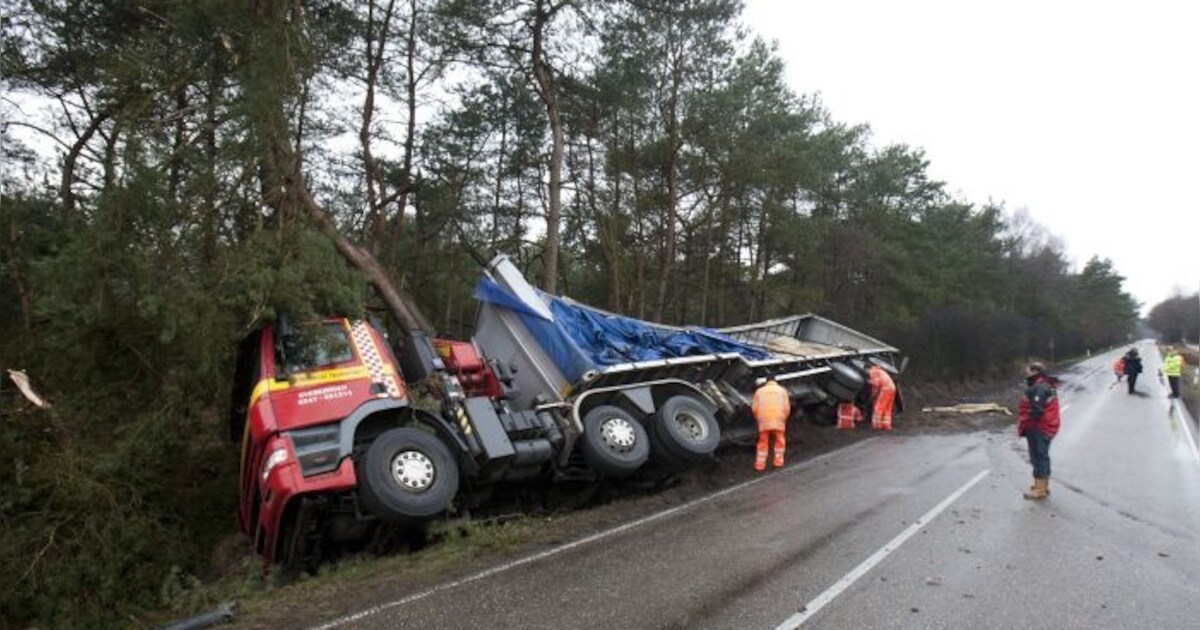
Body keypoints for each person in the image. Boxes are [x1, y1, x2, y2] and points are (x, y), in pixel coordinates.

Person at [1017, 362, 1061, 500]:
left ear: (1034, 371)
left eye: (1028, 371)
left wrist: (1028, 424)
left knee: (1038, 456)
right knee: (1041, 455)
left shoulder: (1039, 387)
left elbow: (1037, 409)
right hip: (1046, 425)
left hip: (1039, 427)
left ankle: (1040, 489)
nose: (1026, 373)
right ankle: (1041, 485)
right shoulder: (1046, 384)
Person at [751, 376, 791, 471]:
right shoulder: (782, 391)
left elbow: (754, 408)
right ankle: (778, 463)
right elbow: (787, 408)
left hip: (763, 419)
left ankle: (760, 465)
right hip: (779, 418)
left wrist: (758, 418)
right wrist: (783, 418)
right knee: (780, 441)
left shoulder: (759, 391)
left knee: (763, 442)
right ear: (775, 381)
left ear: (766, 382)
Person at [867, 364, 896, 430]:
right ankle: (886, 425)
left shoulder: (872, 371)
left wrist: (873, 394)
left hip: (885, 389)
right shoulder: (880, 371)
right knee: (887, 407)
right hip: (892, 388)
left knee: (879, 407)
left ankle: (877, 425)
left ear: (867, 369)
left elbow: (876, 384)